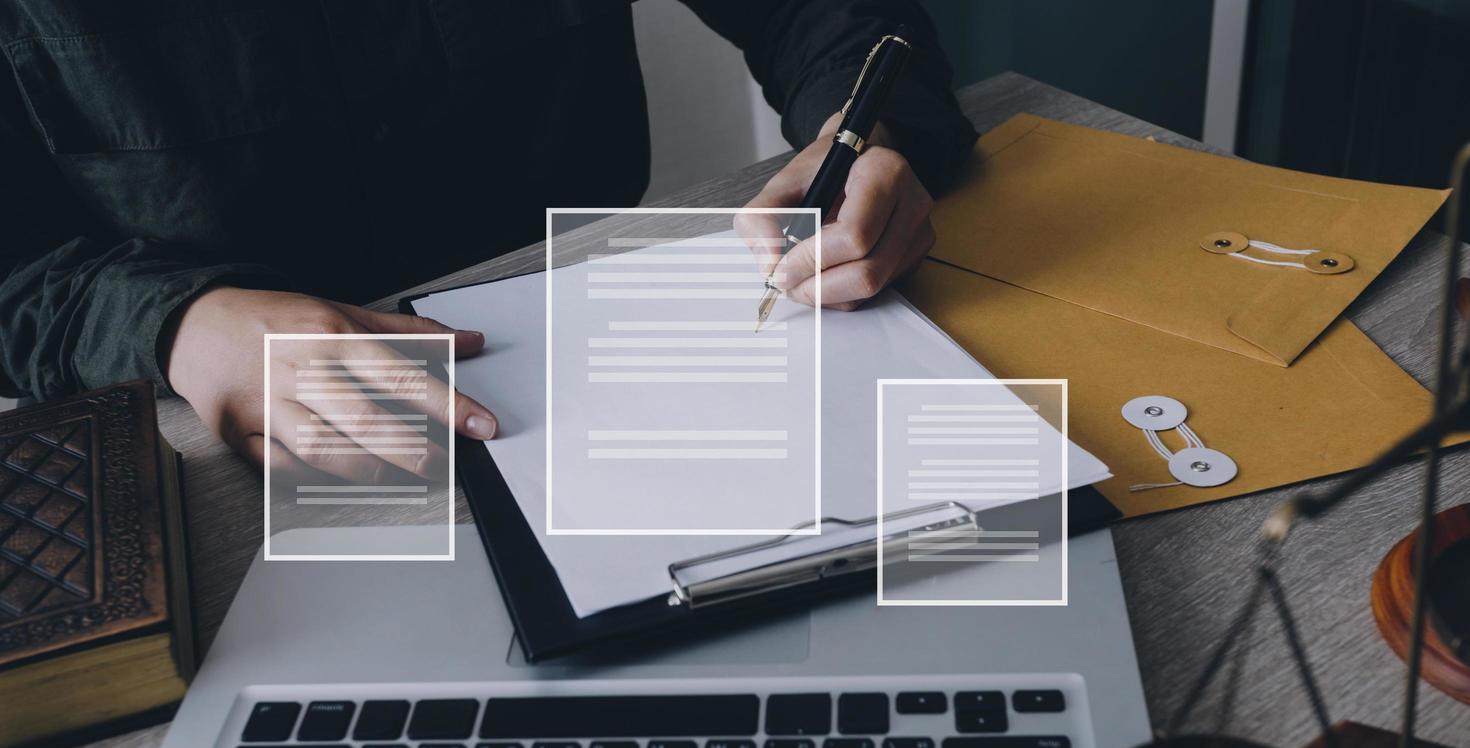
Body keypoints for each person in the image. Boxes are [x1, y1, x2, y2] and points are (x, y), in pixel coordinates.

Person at [0, 1, 976, 482]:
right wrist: (178, 327)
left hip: (602, 333)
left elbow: (827, 13)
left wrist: (867, 138)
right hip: (224, 432)